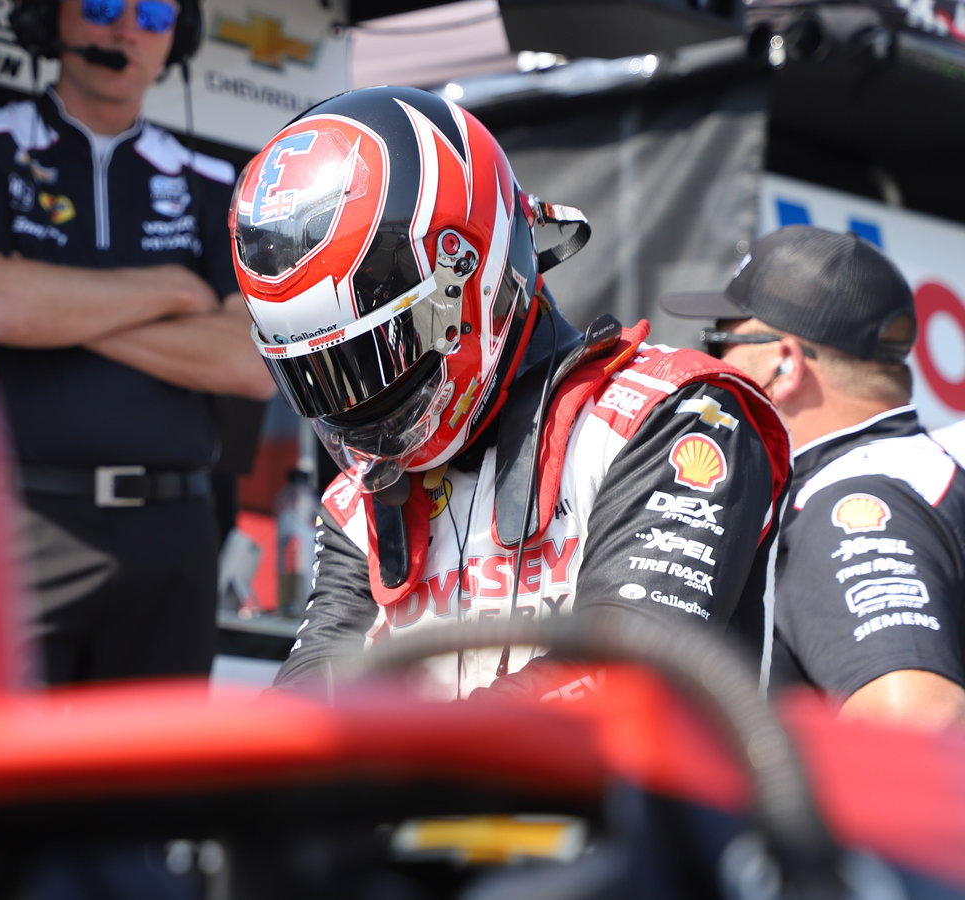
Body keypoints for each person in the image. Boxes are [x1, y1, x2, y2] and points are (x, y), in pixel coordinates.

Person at [232, 86, 794, 700]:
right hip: (436, 794)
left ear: (470, 279)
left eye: (376, 353)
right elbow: (310, 695)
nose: (360, 403)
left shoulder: (676, 415)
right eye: (326, 371)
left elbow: (631, 673)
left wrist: (396, 766)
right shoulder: (359, 498)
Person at [0, 0, 274, 685]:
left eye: (156, 15)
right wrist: (173, 288)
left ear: (180, 39)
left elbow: (254, 363)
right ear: (53, 19)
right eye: (104, 4)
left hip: (176, 531)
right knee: (4, 779)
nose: (126, 29)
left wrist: (53, 312)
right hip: (16, 520)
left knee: (155, 783)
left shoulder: (214, 182)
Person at [662, 226, 965, 730]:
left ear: (785, 363)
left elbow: (918, 726)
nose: (711, 368)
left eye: (720, 343)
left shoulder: (849, 503)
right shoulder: (918, 471)